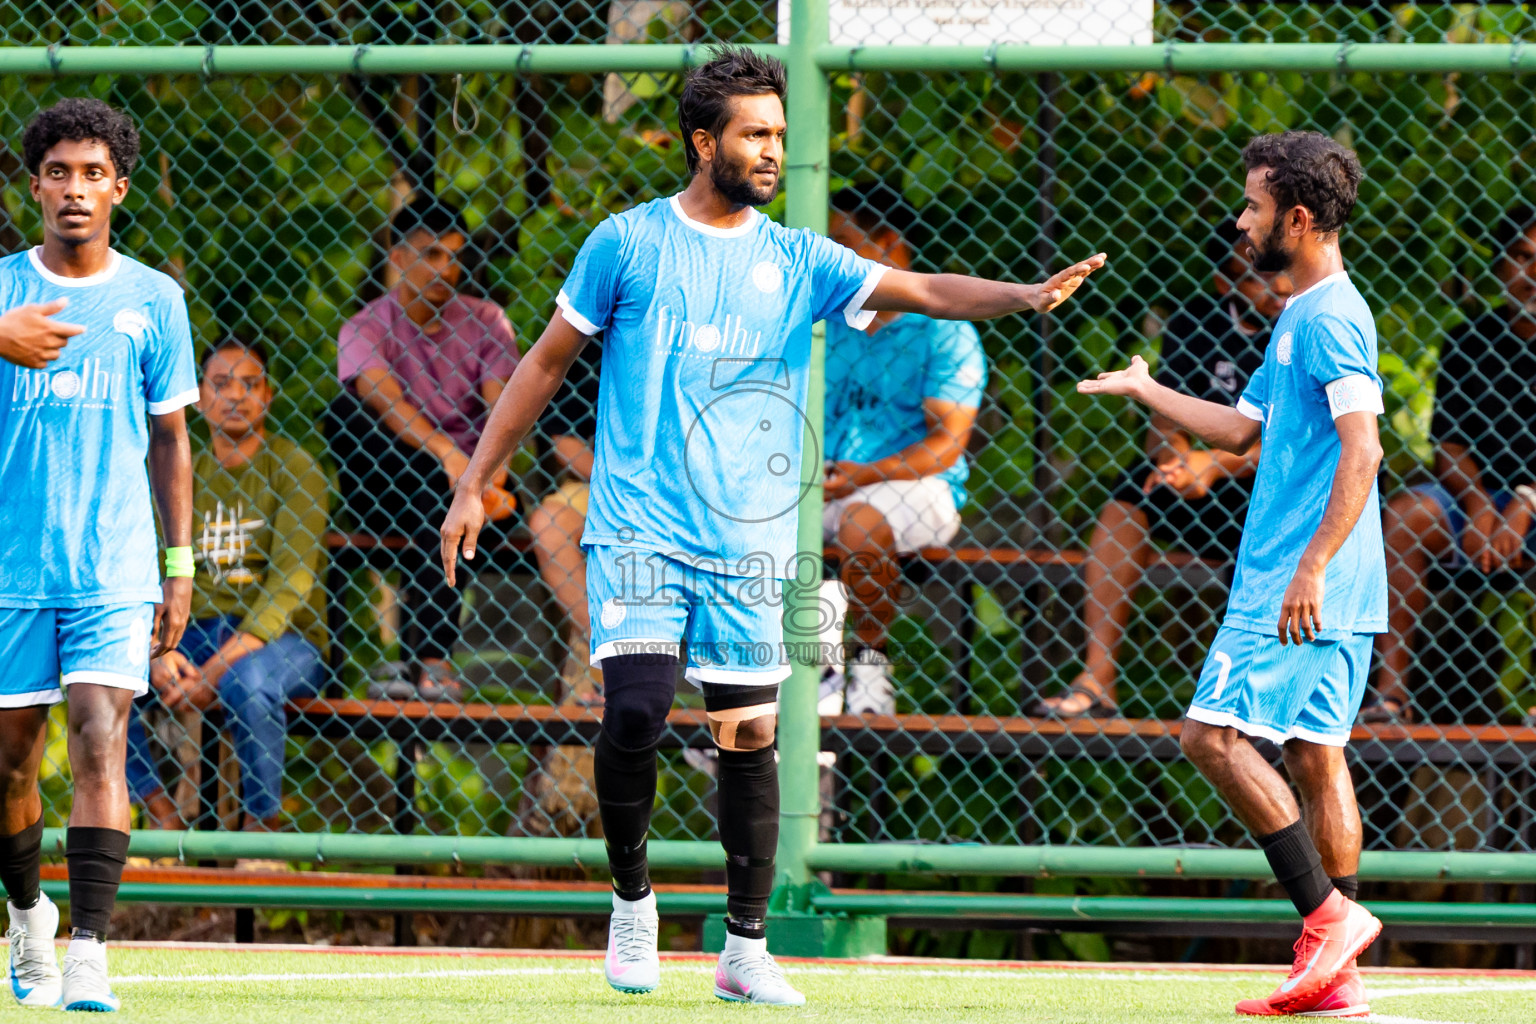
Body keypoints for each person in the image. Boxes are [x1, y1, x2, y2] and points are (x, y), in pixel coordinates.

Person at [439, 45, 1104, 1006]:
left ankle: (745, 947)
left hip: (749, 543)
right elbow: (542, 365)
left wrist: (1026, 295)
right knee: (635, 711)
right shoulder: (625, 244)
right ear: (702, 140)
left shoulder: (800, 259)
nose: (771, 151)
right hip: (641, 526)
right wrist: (475, 478)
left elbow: (923, 291)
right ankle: (634, 903)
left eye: (780, 136)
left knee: (748, 736)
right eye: (754, 134)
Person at [1079, 131, 1385, 1017]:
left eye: (1253, 205)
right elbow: (1238, 430)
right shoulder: (1302, 314)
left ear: (1296, 216)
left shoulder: (1329, 317)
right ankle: (1337, 974)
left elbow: (1364, 450)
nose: (1242, 219)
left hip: (1299, 581)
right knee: (1318, 756)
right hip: (1341, 583)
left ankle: (1329, 919)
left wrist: (1310, 568)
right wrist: (1144, 387)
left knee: (1209, 740)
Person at [0, 98, 197, 1012]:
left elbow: (171, 441)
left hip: (114, 564)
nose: (74, 190)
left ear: (118, 187)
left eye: (92, 174)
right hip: (11, 567)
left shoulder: (154, 298)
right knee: (8, 765)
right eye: (57, 173)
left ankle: (90, 949)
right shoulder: (1, 291)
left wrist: (181, 563)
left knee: (99, 738)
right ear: (33, 185)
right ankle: (30, 915)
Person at [1034, 221, 1291, 717]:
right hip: (1204, 490)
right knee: (1130, 492)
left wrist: (1213, 465)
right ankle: (1099, 675)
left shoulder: (1304, 326)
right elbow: (1164, 415)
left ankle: (1266, 696)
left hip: (1275, 491)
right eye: (1259, 277)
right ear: (1226, 284)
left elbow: (1303, 444)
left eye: (1281, 272)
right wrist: (1174, 457)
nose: (1278, 287)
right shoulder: (1196, 322)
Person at [124, 338, 330, 832]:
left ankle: (262, 832)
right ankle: (162, 818)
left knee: (249, 685)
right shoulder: (177, 470)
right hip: (188, 632)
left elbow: (290, 582)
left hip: (280, 639)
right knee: (106, 673)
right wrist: (157, 646)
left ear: (269, 395)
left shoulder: (295, 469)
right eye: (220, 383)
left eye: (249, 383)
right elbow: (145, 567)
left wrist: (213, 672)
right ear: (198, 396)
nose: (235, 394)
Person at [325, 194, 518, 700]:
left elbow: (508, 413)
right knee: (344, 415)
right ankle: (430, 661)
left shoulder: (487, 320)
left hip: (475, 483)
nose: (446, 268)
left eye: (454, 256)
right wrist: (444, 453)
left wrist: (485, 475)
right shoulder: (365, 327)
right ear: (399, 257)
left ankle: (422, 663)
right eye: (432, 255)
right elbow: (383, 402)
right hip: (390, 483)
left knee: (443, 491)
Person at [819, 183, 986, 715]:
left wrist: (862, 475)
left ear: (887, 244)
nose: (827, 254)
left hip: (915, 488)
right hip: (820, 483)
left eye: (840, 241)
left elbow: (945, 447)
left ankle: (870, 668)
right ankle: (763, 694)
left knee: (859, 521)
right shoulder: (821, 321)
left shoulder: (942, 330)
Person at [1368, 206, 1536, 723]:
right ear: (1503, 267)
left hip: (1530, 503)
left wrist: (1525, 504)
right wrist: (1480, 501)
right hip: (1474, 501)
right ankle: (1391, 695)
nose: (1532, 274)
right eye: (1523, 258)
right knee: (1404, 517)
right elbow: (1451, 445)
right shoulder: (1471, 340)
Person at [529, 340, 603, 702]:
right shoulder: (591, 345)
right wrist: (617, 482)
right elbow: (565, 443)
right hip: (604, 483)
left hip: (688, 488)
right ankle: (610, 654)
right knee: (549, 523)